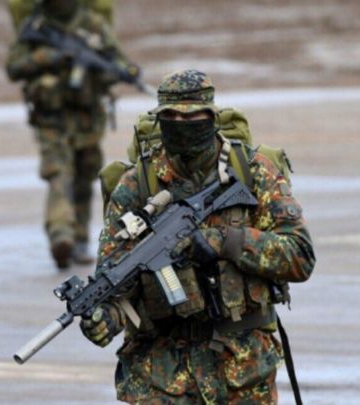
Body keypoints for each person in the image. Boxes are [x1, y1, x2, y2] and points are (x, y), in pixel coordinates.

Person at [80, 69, 316, 404]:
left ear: (211, 117)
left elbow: (300, 256)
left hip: (243, 371)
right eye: (171, 117)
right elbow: (118, 278)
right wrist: (107, 319)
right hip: (159, 376)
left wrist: (225, 241)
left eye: (192, 116)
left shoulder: (254, 172)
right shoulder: (136, 185)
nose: (182, 124)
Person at [5, 0, 136, 269]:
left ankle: (80, 240)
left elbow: (116, 60)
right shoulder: (36, 24)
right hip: (51, 117)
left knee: (85, 177)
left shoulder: (92, 23)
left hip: (87, 116)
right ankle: (60, 236)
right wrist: (50, 57)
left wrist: (108, 71)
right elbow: (14, 66)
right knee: (58, 174)